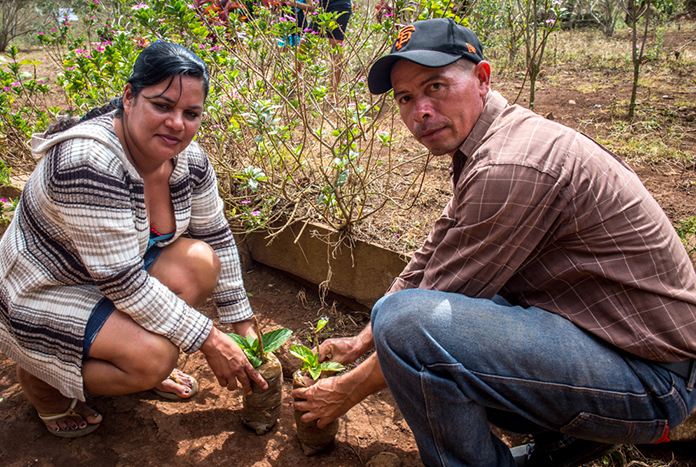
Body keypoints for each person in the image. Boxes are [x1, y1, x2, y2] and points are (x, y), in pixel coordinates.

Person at [291, 18, 696, 467]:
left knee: (408, 326)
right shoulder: (495, 139)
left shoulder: (511, 165)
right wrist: (361, 341)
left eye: (436, 86)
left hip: (650, 380)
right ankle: (557, 448)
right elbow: (436, 249)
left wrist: (342, 391)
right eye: (405, 98)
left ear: (482, 78)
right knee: (406, 318)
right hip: (613, 345)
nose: (419, 110)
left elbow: (418, 322)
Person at [0, 41, 267, 438]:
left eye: (190, 113)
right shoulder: (89, 161)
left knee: (201, 261)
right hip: (46, 289)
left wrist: (240, 323)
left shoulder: (189, 161)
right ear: (128, 97)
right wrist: (209, 337)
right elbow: (123, 283)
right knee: (154, 358)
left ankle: (121, 353)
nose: (177, 123)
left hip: (108, 278)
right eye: (162, 105)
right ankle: (43, 378)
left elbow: (217, 236)